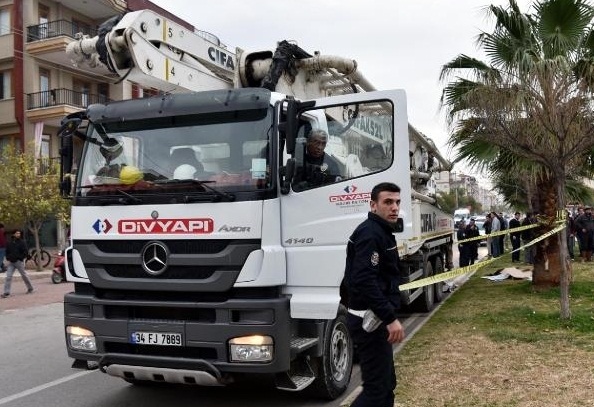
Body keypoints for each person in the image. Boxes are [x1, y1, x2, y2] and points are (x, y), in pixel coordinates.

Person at [342, 182, 406, 407]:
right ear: (373, 205)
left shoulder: (383, 231)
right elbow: (364, 280)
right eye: (388, 202)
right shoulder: (370, 234)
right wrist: (390, 319)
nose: (394, 207)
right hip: (369, 321)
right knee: (376, 390)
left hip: (376, 318)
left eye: (397, 202)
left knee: (387, 384)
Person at [1, 230, 34, 298]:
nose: (18, 234)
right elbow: (7, 251)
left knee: (24, 275)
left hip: (19, 262)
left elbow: (25, 252)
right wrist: (8, 258)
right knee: (8, 276)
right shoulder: (9, 242)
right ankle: (6, 292)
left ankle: (30, 288)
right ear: (13, 234)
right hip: (11, 262)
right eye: (17, 233)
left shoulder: (22, 242)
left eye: (19, 233)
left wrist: (20, 258)